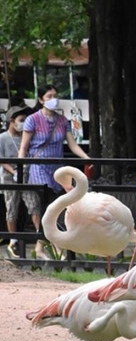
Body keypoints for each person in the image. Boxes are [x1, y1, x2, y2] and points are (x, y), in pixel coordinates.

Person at [18, 84, 90, 257]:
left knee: (56, 206)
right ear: (41, 99)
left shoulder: (62, 120)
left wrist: (86, 158)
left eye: (55, 96)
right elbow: (23, 147)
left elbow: (72, 145)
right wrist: (19, 167)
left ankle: (41, 246)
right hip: (39, 166)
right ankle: (53, 246)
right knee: (45, 205)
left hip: (57, 167)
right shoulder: (33, 119)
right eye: (49, 96)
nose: (53, 99)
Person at [0, 106, 40, 258]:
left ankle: (40, 237)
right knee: (11, 207)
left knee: (34, 204)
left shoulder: (26, 136)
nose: (23, 124)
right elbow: (2, 160)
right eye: (21, 121)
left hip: (26, 174)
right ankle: (13, 239)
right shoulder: (3, 138)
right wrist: (13, 171)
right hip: (9, 176)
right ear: (11, 121)